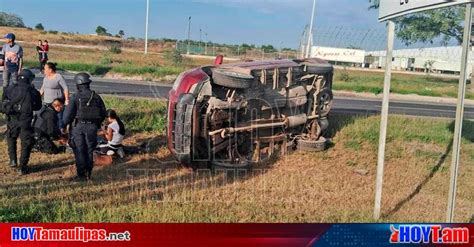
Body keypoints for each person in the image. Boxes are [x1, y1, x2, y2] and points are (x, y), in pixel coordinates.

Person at [63, 73, 106, 181]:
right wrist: (95, 124)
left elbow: (68, 115)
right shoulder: (96, 96)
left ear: (78, 84)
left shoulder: (75, 97)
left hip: (78, 127)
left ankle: (82, 175)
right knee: (89, 150)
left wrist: (63, 125)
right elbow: (103, 113)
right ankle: (89, 174)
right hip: (92, 128)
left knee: (80, 150)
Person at [1, 69, 42, 174]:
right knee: (26, 143)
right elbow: (38, 107)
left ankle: (13, 160)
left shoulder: (9, 89)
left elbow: (3, 103)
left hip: (12, 118)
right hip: (26, 120)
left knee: (11, 138)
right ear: (29, 79)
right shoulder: (33, 91)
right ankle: (22, 167)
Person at [40, 62, 69, 132]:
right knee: (45, 117)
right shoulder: (45, 78)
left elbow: (65, 88)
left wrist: (66, 100)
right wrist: (37, 97)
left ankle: (61, 132)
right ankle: (48, 132)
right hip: (47, 102)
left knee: (58, 118)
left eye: (45, 69)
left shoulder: (58, 77)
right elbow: (42, 89)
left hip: (56, 103)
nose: (44, 70)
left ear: (50, 70)